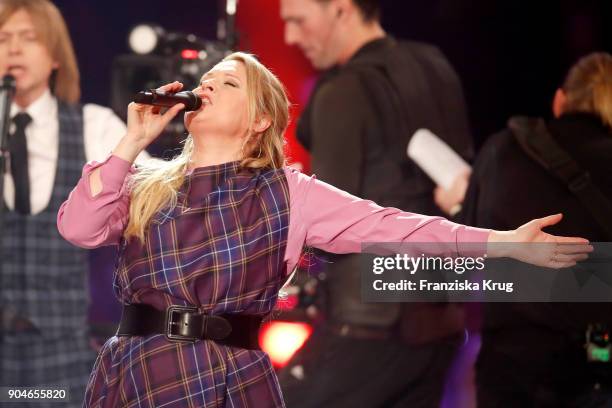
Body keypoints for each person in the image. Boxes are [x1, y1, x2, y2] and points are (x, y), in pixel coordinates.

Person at [57, 51, 591, 407]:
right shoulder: (141, 180)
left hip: (226, 378)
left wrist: (504, 244)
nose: (206, 87)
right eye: (204, 81)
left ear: (261, 119)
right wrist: (130, 144)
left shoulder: (290, 193)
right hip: (136, 370)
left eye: (227, 82)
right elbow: (79, 229)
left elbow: (395, 228)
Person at [279, 0, 475, 405]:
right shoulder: (435, 65)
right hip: (440, 324)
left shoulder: (342, 90)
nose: (290, 37)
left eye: (299, 21)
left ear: (341, 9)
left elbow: (325, 224)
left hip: (369, 326)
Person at [0, 0, 142, 406]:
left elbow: (156, 198)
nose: (13, 50)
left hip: (60, 353)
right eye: (3, 38)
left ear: (55, 55)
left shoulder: (93, 126)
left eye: (29, 38)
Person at [460, 52, 612, 406]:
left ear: (560, 100)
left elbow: (466, 247)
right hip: (596, 367)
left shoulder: (502, 148)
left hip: (511, 366)